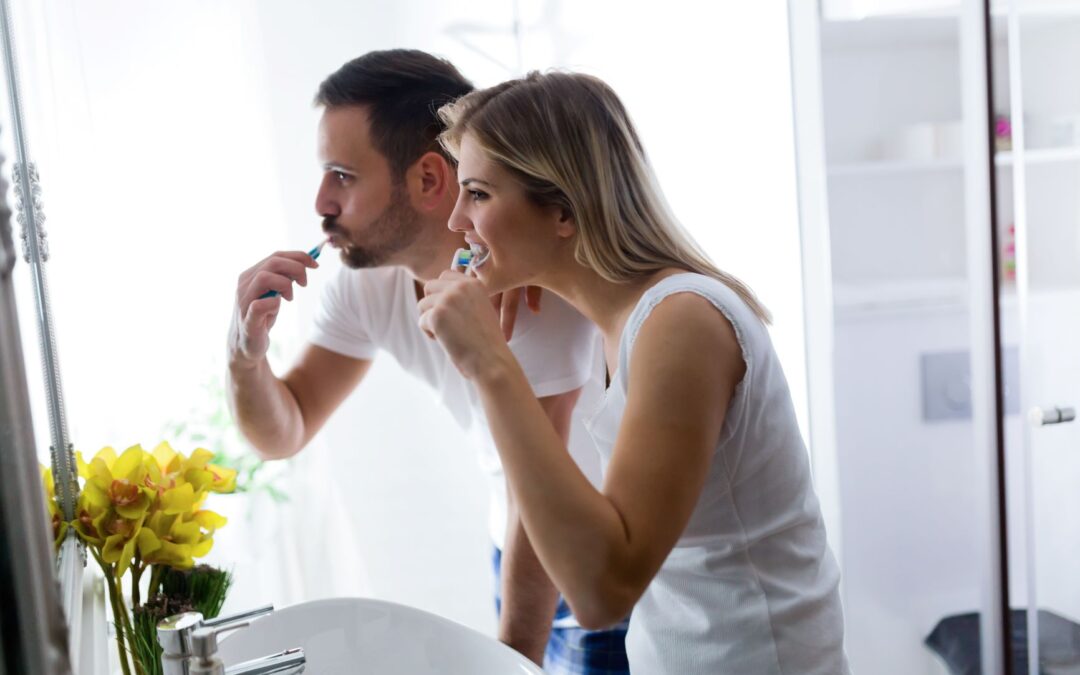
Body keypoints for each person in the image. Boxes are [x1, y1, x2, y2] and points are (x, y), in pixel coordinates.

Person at [417, 71, 850, 674]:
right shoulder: (616, 321)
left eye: (480, 194)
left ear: (564, 211)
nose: (456, 221)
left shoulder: (682, 323)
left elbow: (601, 590)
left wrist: (491, 364)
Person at [226, 51, 630, 672]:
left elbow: (540, 484)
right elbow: (287, 429)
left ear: (428, 179)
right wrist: (245, 355)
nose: (321, 201)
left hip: (591, 575)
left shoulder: (526, 283)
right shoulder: (367, 283)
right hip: (516, 552)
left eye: (342, 175)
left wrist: (511, 658)